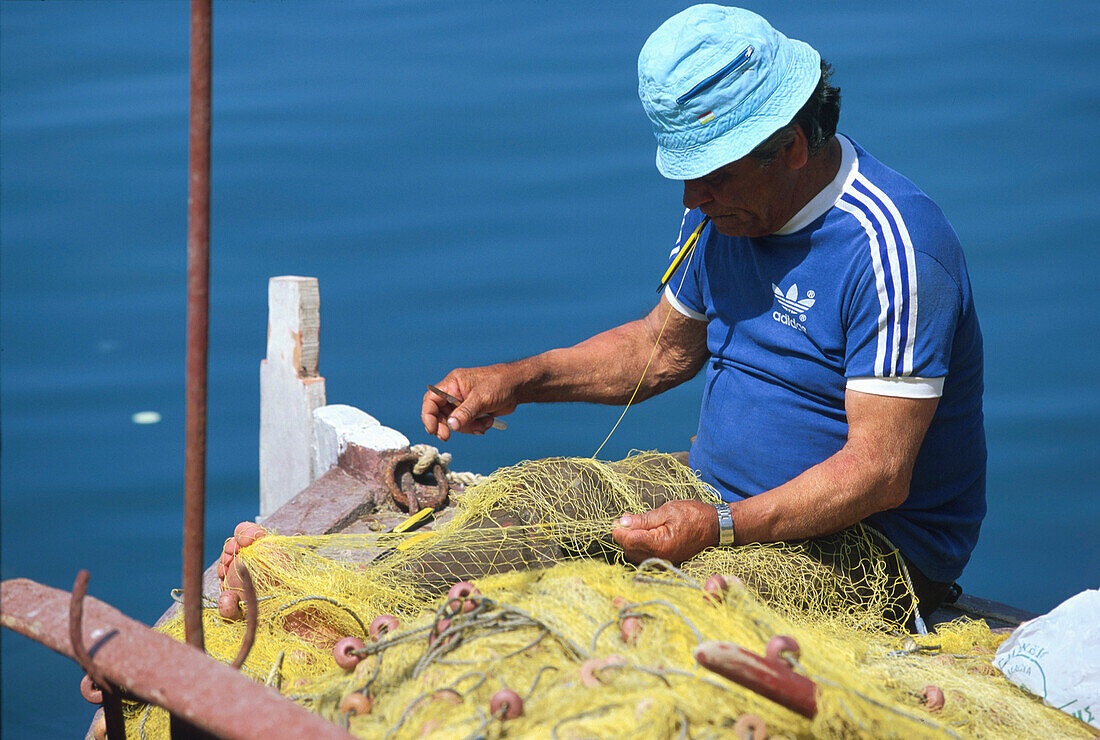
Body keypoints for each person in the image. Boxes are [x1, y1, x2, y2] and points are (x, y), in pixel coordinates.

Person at [419, 5, 986, 626]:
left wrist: (718, 527)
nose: (691, 197)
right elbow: (659, 352)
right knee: (529, 509)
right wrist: (516, 380)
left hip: (870, 547)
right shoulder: (728, 208)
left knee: (670, 614)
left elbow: (877, 474)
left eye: (710, 173)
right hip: (714, 499)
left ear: (792, 146)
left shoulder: (896, 252)